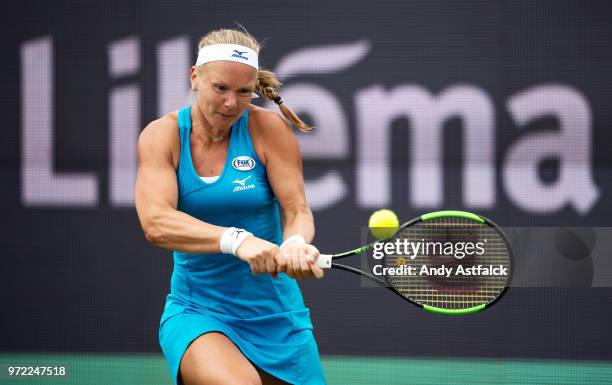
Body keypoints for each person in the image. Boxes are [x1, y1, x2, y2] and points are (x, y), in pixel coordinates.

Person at [135, 27, 327, 385]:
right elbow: (156, 223)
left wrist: (296, 243)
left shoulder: (268, 128)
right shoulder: (161, 136)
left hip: (277, 315)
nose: (230, 103)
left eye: (244, 92)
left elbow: (297, 211)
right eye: (220, 88)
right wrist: (237, 241)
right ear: (195, 77)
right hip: (198, 311)